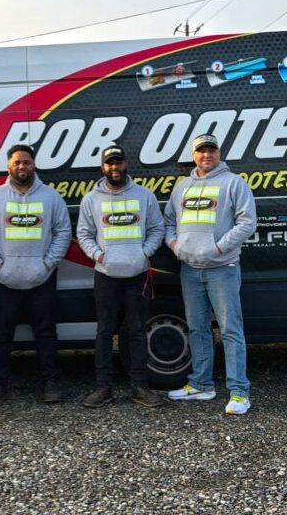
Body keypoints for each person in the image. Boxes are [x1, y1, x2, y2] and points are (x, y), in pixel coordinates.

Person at [164, 134, 257, 415]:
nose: (207, 155)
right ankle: (202, 385)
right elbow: (169, 221)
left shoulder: (233, 183)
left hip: (222, 269)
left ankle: (240, 393)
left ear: (219, 153)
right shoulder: (182, 187)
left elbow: (247, 222)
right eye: (201, 151)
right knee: (197, 328)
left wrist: (218, 247)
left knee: (230, 331)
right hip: (190, 270)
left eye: (211, 150)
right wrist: (175, 246)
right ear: (193, 155)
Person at [0, 144, 71, 406]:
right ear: (8, 166)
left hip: (42, 279)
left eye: (26, 162)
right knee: (0, 336)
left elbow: (63, 232)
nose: (22, 167)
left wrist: (48, 263)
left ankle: (51, 383)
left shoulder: (51, 197)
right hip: (3, 280)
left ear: (34, 165)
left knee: (46, 334)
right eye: (17, 162)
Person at [76, 145, 165, 408]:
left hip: (137, 274)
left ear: (126, 164)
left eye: (118, 162)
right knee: (104, 332)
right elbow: (83, 233)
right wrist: (99, 256)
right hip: (106, 275)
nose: (114, 168)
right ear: (103, 167)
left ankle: (139, 387)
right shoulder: (91, 199)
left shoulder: (144, 195)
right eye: (109, 163)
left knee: (137, 331)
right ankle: (103, 388)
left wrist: (143, 253)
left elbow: (157, 229)